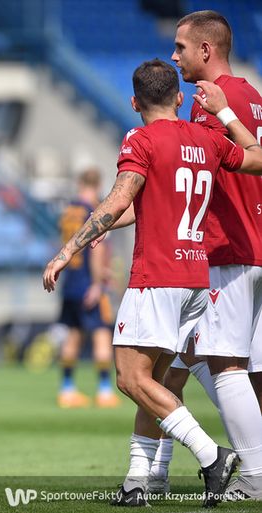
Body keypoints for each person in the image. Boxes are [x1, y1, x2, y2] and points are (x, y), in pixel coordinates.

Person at [43, 58, 262, 507]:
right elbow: (256, 157)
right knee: (157, 379)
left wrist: (68, 250)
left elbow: (119, 198)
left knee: (130, 378)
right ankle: (139, 482)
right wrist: (225, 113)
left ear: (133, 102)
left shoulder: (140, 139)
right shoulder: (206, 138)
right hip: (196, 277)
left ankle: (212, 455)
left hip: (157, 277)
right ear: (180, 98)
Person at [157, 10, 262, 500]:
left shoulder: (214, 101)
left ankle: (253, 478)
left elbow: (215, 164)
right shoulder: (253, 95)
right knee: (249, 368)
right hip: (255, 245)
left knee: (226, 365)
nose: (174, 56)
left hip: (228, 248)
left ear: (206, 49)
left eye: (181, 47)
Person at [55, 168, 119, 409]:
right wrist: (97, 283)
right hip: (87, 283)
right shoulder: (93, 211)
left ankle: (66, 389)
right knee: (101, 334)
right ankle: (104, 390)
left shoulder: (69, 211)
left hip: (70, 282)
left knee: (73, 335)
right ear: (98, 185)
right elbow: (96, 248)